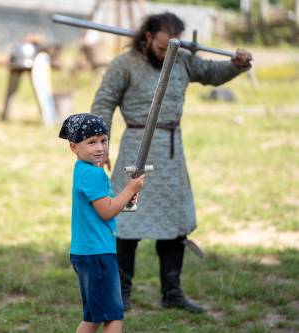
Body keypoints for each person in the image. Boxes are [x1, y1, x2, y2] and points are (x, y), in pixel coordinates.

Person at [90, 12, 253, 313]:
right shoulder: (123, 64)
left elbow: (211, 73)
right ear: (148, 37)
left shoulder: (182, 59)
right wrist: (99, 149)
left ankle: (172, 291)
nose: (167, 54)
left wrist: (236, 64)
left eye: (171, 48)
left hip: (170, 152)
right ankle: (121, 292)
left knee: (175, 224)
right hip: (135, 152)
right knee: (127, 222)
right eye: (162, 47)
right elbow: (103, 104)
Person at [59, 113, 144, 333]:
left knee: (93, 316)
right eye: (91, 142)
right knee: (113, 316)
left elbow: (104, 206)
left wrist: (125, 199)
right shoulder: (93, 175)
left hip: (87, 252)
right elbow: (107, 212)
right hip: (98, 253)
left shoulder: (84, 170)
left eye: (103, 140)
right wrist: (130, 189)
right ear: (74, 147)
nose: (100, 147)